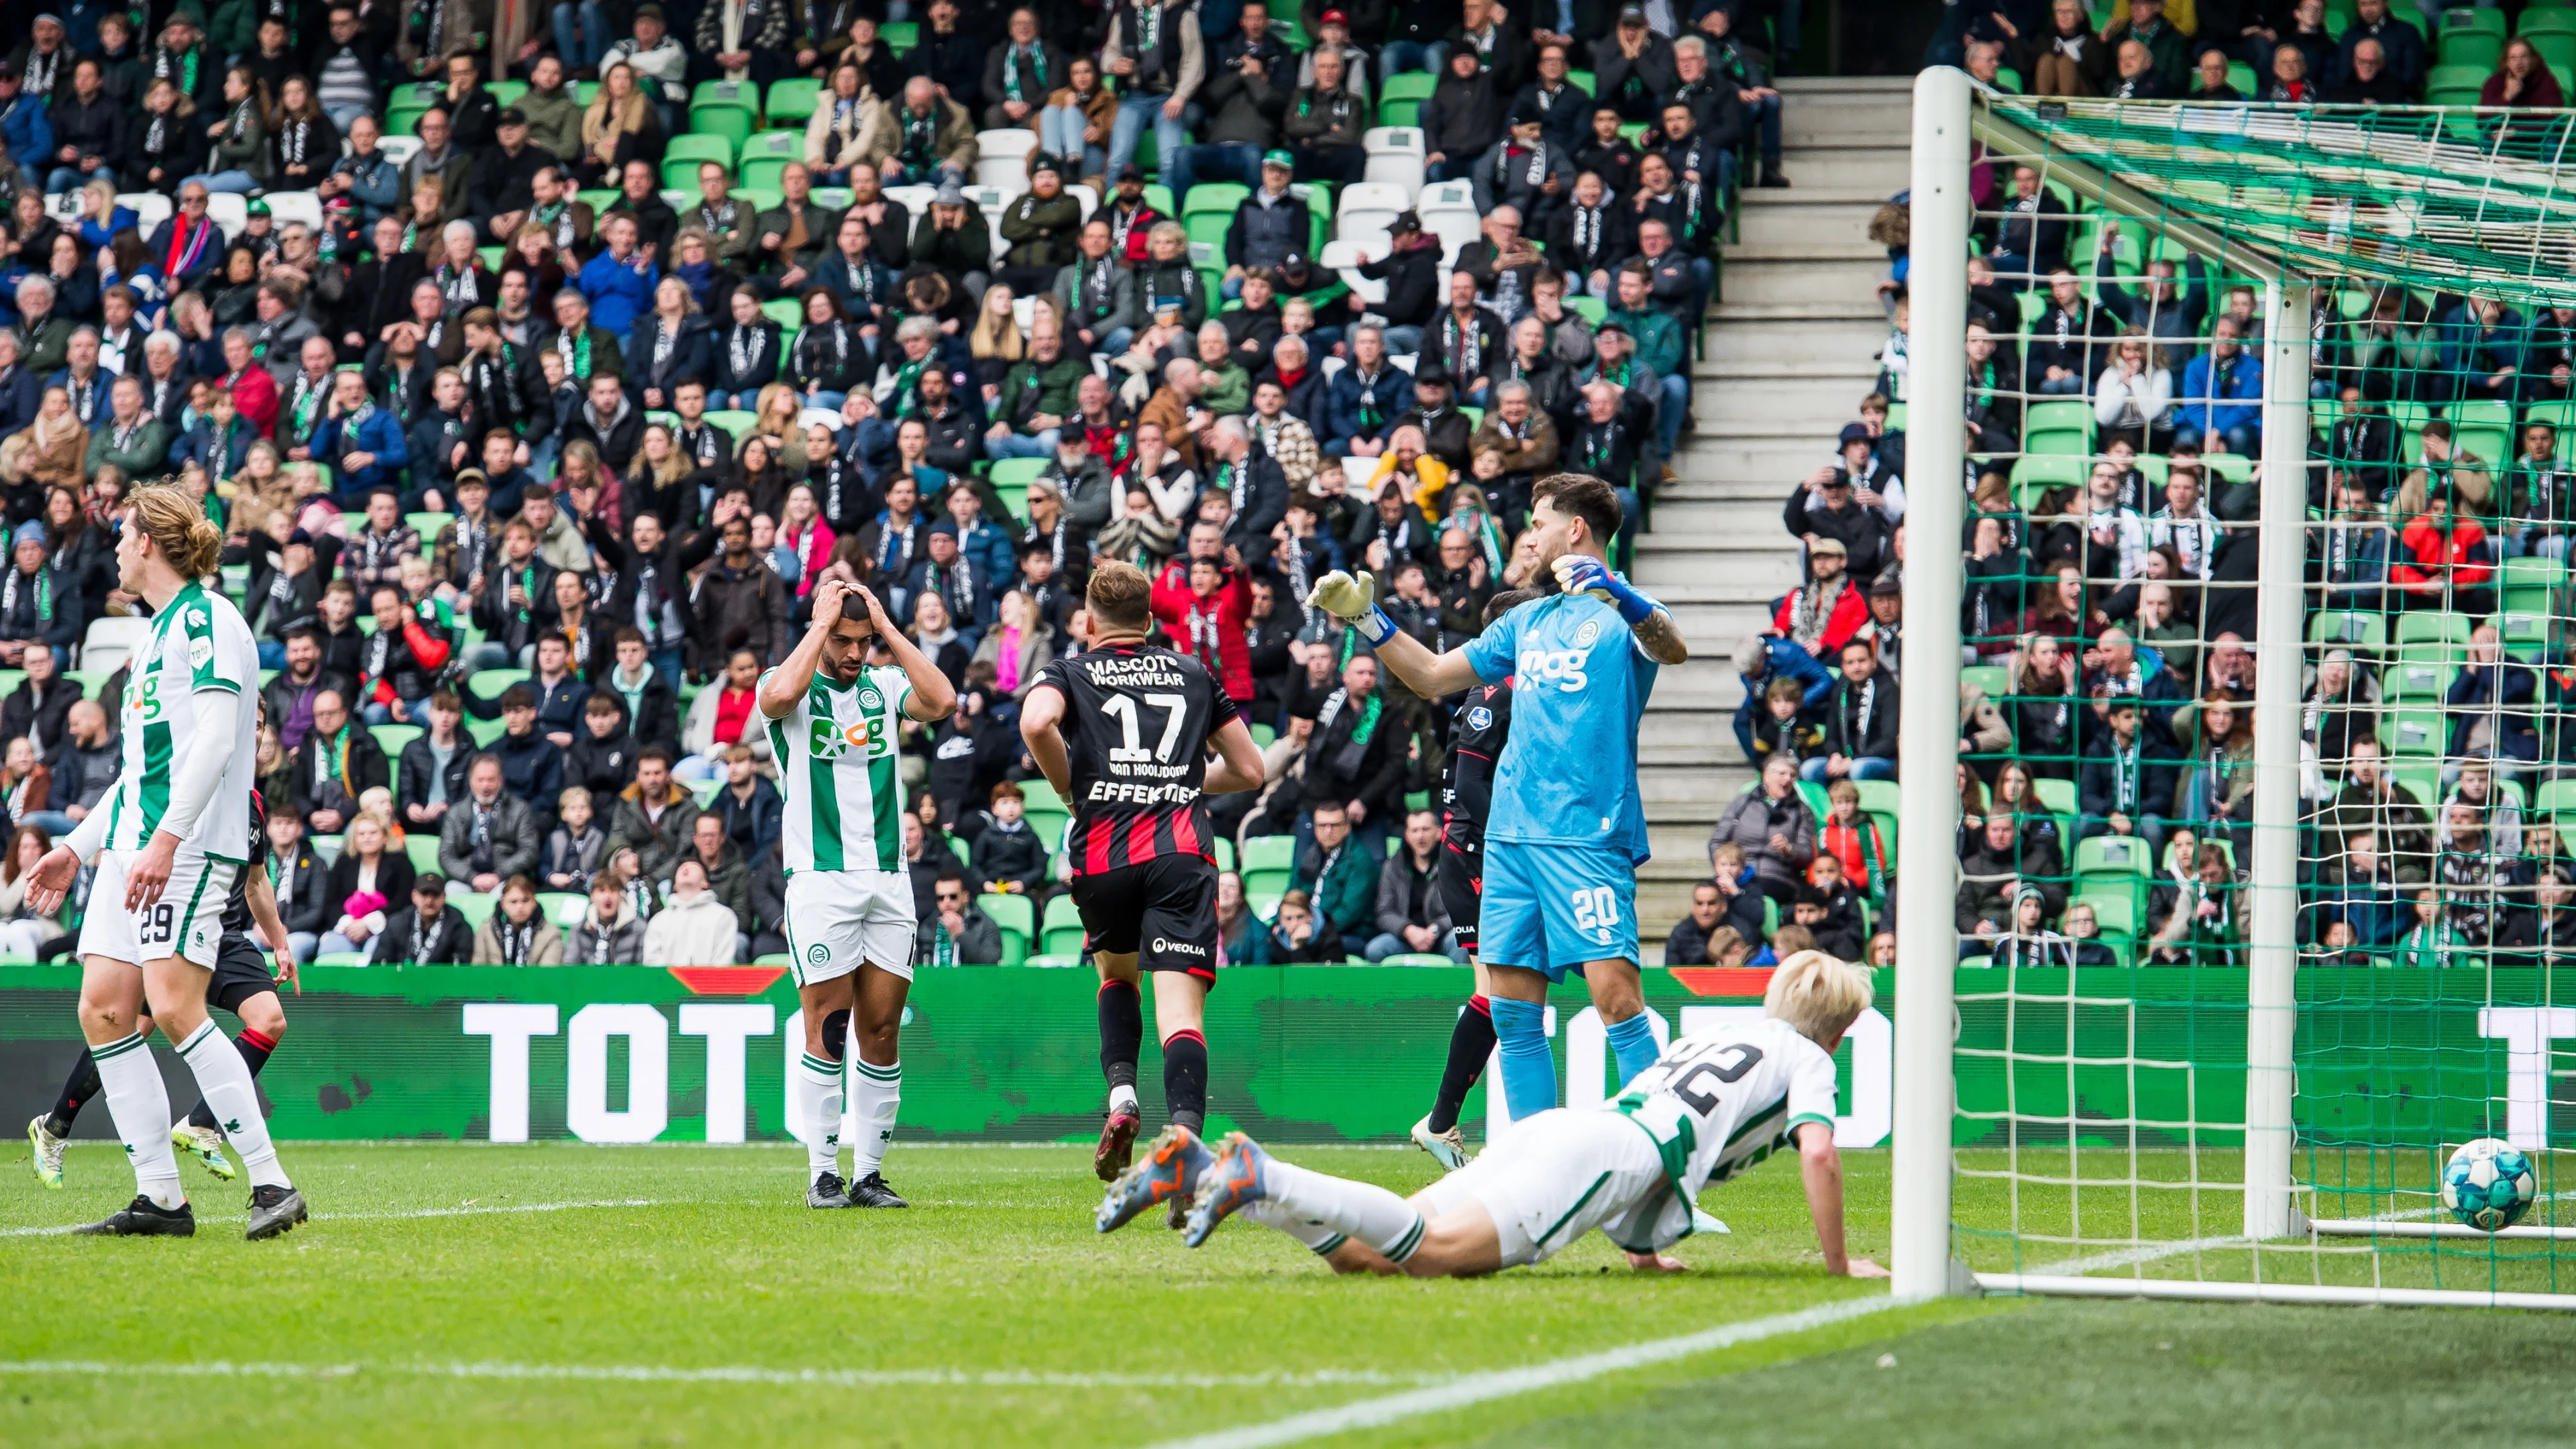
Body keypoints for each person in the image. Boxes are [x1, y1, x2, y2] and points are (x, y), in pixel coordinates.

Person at [1107, 950, 1888, 1283]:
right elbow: (1817, 1155)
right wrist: (1839, 1264)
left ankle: (1210, 1171)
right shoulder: (1809, 1058)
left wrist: (1647, 1256)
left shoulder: (1726, 1031)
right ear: (1842, 1030)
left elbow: (1672, 1133)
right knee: (1433, 1255)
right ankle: (1260, 1170)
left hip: (1567, 1132)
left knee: (1366, 1257)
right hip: (1603, 1155)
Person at [1307, 474, 1684, 1125]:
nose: (1528, 534)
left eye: (1539, 522)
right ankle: (1537, 1182)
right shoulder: (1528, 620)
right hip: (1509, 842)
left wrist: (1620, 595)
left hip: (1586, 837)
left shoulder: (1625, 615)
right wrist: (1365, 619)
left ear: (1576, 530)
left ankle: (1667, 1165)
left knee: (1618, 1001)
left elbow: (1672, 647)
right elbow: (1429, 676)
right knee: (1513, 1014)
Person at [22, 489, 309, 1238]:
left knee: (177, 1008)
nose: (115, 545)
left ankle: (272, 1185)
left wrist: (168, 839)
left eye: (122, 533)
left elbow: (215, 745)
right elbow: (138, 771)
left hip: (182, 848)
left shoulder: (211, 620)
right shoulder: (152, 634)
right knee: (105, 1009)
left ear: (149, 541)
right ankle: (161, 1200)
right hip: (132, 846)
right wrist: (77, 848)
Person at [1017, 561, 1267, 1187]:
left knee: (1117, 976)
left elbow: (1034, 722)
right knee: (1181, 1013)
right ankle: (1183, 1134)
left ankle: (1122, 1096)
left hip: (1104, 854)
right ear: (1150, 621)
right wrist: (1179, 780)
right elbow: (1250, 771)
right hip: (1180, 852)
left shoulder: (1069, 671)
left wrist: (1073, 788)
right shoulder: (1193, 672)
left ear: (1091, 621)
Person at [762, 578, 959, 1210]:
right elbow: (780, 695)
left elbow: (943, 698)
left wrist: (889, 632)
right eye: (843, 641)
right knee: (828, 1025)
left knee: (880, 1028)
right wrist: (820, 627)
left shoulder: (886, 685)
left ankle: (869, 1174)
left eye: (861, 641)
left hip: (889, 882)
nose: (853, 653)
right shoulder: (789, 685)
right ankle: (822, 1172)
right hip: (821, 883)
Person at [26, 782, 301, 1193]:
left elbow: (257, 881)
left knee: (270, 1020)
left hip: (220, 931)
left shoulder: (252, 805)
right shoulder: (171, 782)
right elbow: (121, 803)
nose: (249, 735)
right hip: (164, 927)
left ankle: (199, 1124)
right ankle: (55, 1126)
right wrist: (77, 851)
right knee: (129, 1028)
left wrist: (280, 943)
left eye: (256, 727)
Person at [1411, 588, 1535, 1166]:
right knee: (1496, 990)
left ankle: (1462, 1125)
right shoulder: (1496, 691)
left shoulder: (1511, 690)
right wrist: (1512, 849)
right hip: (1479, 855)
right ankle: (1443, 1123)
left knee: (1509, 990)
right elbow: (1472, 785)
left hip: (1486, 853)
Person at [474, 876, 566, 965]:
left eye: (525, 900)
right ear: (503, 904)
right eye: (513, 902)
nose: (520, 907)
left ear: (535, 902)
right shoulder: (486, 930)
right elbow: (477, 971)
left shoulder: (552, 933)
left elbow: (548, 974)